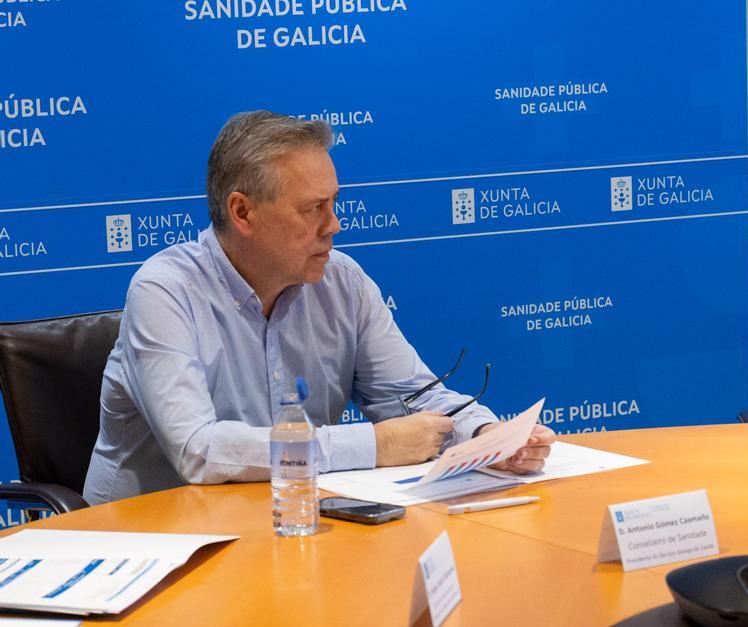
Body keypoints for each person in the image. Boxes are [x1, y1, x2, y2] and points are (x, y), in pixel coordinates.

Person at [83, 111, 554, 504]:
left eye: (335, 203)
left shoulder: (341, 281)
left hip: (289, 525)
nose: (334, 225)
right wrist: (375, 445)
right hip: (152, 542)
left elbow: (414, 396)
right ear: (243, 212)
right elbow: (198, 449)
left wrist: (487, 439)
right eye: (313, 209)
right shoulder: (163, 292)